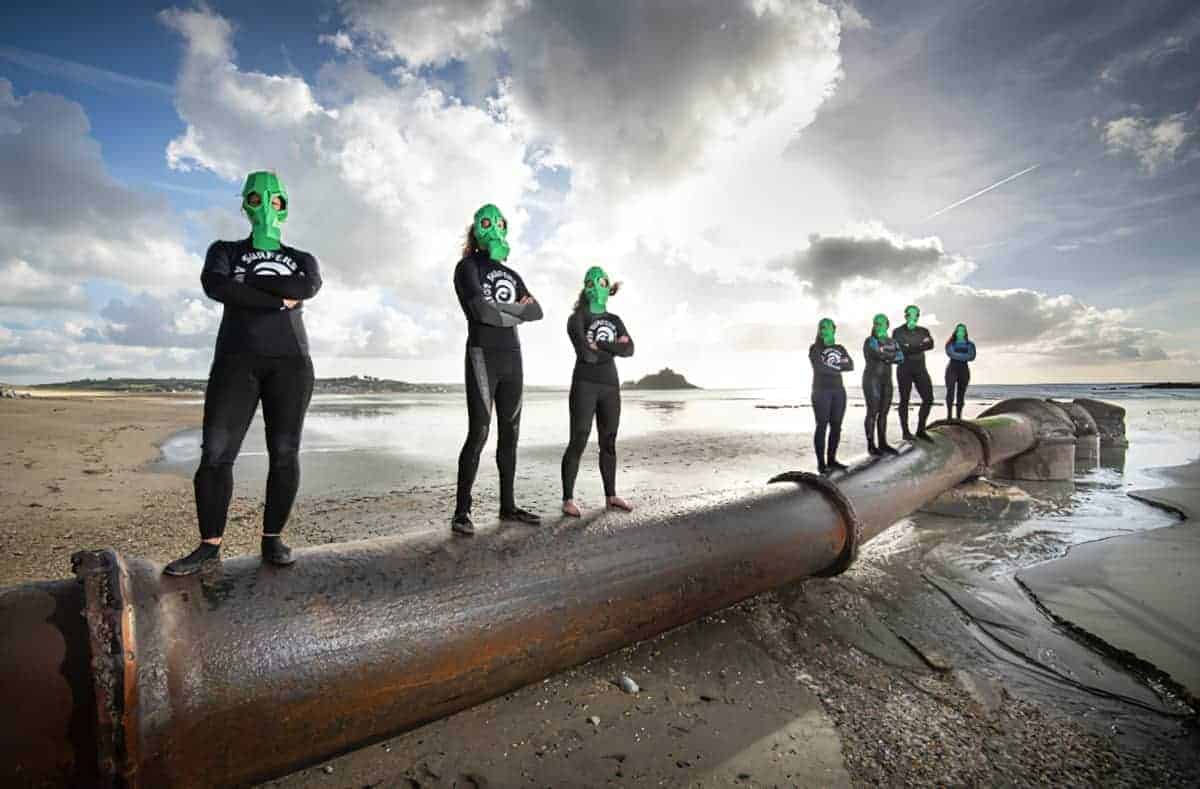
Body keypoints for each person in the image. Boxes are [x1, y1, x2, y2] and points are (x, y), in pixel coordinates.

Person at [165, 171, 321, 576]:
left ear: (285, 206)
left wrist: (247, 282)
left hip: (292, 365)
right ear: (245, 204)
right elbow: (216, 286)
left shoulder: (303, 258)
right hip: (236, 362)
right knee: (216, 455)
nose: (267, 206)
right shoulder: (224, 250)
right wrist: (276, 299)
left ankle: (273, 540)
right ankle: (208, 547)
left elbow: (307, 287)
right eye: (257, 198)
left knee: (284, 455)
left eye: (275, 200)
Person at [452, 203, 544, 535]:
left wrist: (508, 311)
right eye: (488, 224)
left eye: (500, 223)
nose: (495, 229)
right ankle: (462, 512)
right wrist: (515, 311)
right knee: (479, 432)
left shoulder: (512, 274)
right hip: (483, 354)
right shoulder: (467, 268)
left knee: (511, 434)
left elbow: (537, 312)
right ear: (476, 230)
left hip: (512, 357)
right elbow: (480, 311)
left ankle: (508, 507)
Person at [560, 267, 635, 516]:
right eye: (592, 282)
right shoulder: (577, 318)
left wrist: (601, 343)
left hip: (610, 386)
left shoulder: (614, 319)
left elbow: (630, 349)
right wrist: (614, 346)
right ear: (586, 286)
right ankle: (568, 499)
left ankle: (611, 496)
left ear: (608, 286)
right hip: (585, 384)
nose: (597, 286)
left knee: (609, 441)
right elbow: (586, 354)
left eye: (602, 281)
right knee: (579, 438)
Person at [809, 318, 854, 474]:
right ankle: (822, 464)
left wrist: (833, 366)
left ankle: (832, 460)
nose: (825, 330)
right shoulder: (815, 349)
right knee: (822, 426)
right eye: (822, 327)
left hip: (838, 391)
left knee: (836, 426)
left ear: (834, 330)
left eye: (828, 327)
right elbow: (820, 369)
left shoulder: (840, 348)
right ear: (819, 330)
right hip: (821, 391)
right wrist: (839, 366)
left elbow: (850, 365)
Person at [893, 304, 935, 441]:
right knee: (904, 400)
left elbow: (930, 345)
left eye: (915, 314)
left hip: (920, 369)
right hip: (904, 369)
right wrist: (919, 346)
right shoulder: (897, 331)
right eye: (909, 314)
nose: (913, 316)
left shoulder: (924, 330)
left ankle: (921, 430)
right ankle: (905, 432)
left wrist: (910, 346)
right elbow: (901, 348)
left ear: (918, 316)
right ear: (905, 316)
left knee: (928, 399)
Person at [862, 313, 903, 456]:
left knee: (884, 413)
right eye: (876, 323)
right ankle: (871, 445)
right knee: (872, 412)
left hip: (887, 380)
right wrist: (889, 356)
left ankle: (883, 443)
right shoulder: (870, 341)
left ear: (887, 325)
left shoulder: (892, 341)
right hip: (872, 380)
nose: (878, 325)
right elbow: (878, 355)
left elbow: (900, 358)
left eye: (881, 323)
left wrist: (885, 355)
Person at [944, 323, 976, 420]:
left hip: (964, 370)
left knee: (961, 394)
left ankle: (958, 417)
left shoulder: (970, 344)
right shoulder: (950, 343)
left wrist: (957, 355)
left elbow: (972, 356)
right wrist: (964, 356)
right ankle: (949, 416)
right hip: (951, 369)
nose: (960, 332)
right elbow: (950, 354)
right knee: (950, 391)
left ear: (965, 332)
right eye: (959, 330)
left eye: (963, 330)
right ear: (956, 332)